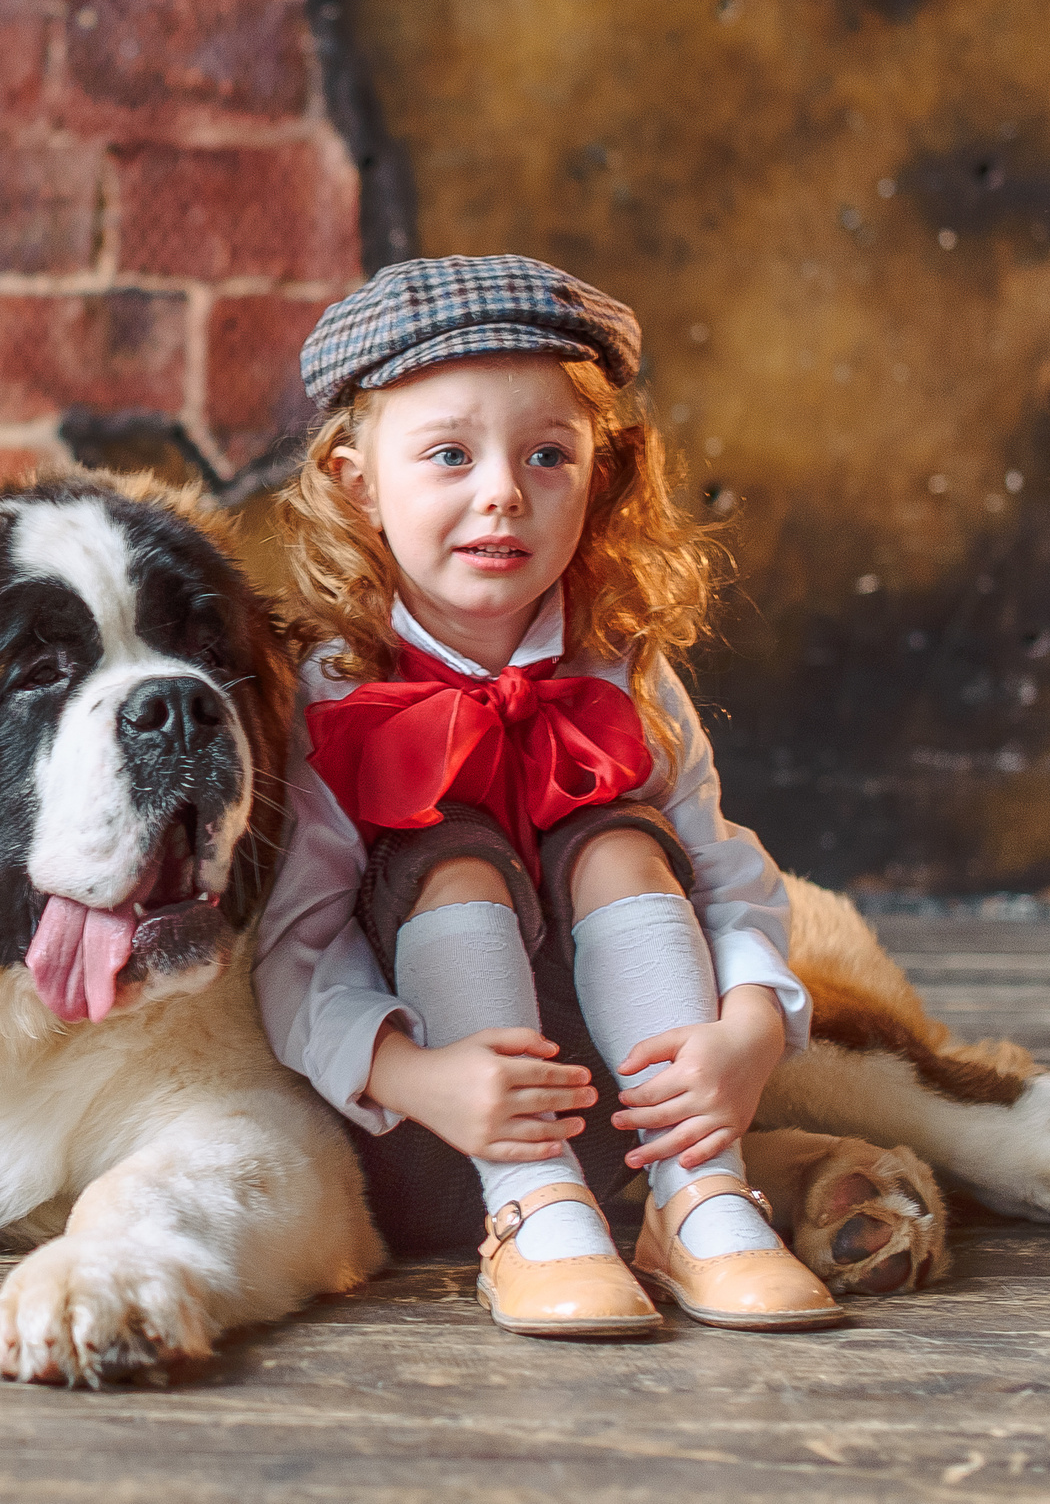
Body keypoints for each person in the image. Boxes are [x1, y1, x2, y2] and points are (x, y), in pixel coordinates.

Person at [253, 254, 842, 1339]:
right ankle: (531, 1217)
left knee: (622, 836)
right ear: (354, 479)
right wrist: (417, 1075)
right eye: (447, 453)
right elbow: (294, 950)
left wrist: (752, 1029)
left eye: (546, 454)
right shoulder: (334, 689)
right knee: (447, 855)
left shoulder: (621, 666)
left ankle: (702, 1202)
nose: (501, 492)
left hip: (646, 1098)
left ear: (601, 473)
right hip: (450, 1124)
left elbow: (727, 876)